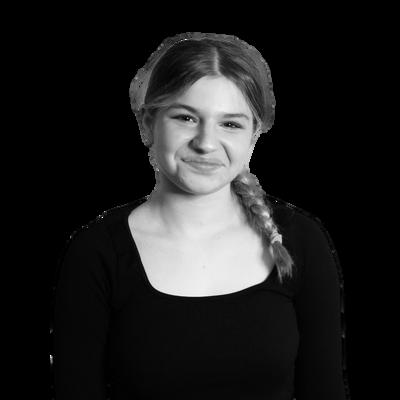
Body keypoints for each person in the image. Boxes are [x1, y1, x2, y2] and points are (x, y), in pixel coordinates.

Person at [53, 32, 349, 399]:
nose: (206, 143)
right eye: (186, 117)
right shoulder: (96, 253)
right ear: (148, 123)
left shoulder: (301, 241)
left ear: (253, 136)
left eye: (231, 124)